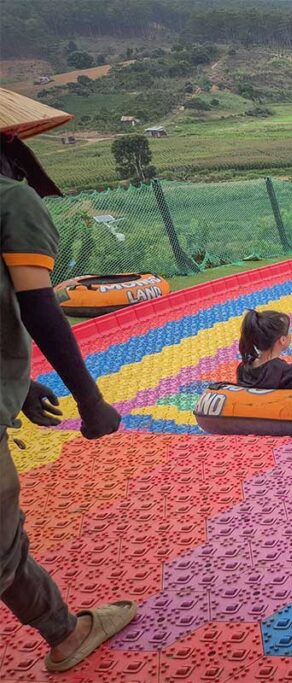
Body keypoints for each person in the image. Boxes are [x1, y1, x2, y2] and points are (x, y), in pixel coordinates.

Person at [1, 95, 137, 673]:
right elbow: (40, 308)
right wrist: (91, 401)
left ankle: (62, 628)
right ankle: (66, 635)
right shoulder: (11, 199)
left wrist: (19, 382)